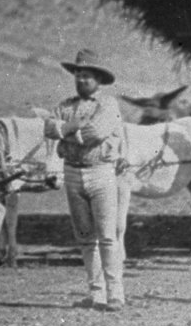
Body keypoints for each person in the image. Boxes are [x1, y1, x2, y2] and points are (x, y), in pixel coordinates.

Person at [44, 48, 129, 310]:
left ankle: (115, 293)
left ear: (99, 80)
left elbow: (96, 132)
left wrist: (66, 132)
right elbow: (48, 128)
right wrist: (71, 128)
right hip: (72, 171)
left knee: (107, 235)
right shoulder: (65, 105)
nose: (82, 81)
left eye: (88, 76)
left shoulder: (108, 105)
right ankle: (96, 293)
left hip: (100, 171)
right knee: (84, 236)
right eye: (79, 75)